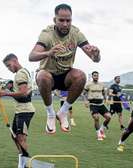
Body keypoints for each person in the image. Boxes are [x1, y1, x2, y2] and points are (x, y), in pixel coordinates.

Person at [29, 3, 101, 134]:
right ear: (54, 20)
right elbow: (32, 56)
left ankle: (63, 112)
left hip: (65, 76)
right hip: (48, 75)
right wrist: (48, 53)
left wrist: (96, 54)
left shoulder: (76, 33)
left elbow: (95, 59)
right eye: (61, 20)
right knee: (42, 76)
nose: (65, 24)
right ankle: (50, 114)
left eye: (68, 20)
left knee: (81, 76)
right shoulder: (47, 34)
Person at [0, 53, 35, 168]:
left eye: (9, 65)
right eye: (7, 67)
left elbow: (23, 93)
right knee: (14, 135)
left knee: (20, 137)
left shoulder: (20, 74)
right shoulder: (22, 73)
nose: (9, 69)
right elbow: (21, 92)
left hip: (25, 110)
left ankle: (26, 162)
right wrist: (10, 89)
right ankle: (22, 158)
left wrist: (6, 93)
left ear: (15, 60)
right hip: (20, 110)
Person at [83, 71, 111, 141]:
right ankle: (99, 134)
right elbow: (84, 93)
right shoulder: (88, 84)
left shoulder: (101, 84)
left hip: (101, 104)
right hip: (93, 104)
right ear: (92, 76)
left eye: (97, 75)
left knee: (108, 117)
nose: (96, 77)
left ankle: (102, 129)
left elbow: (104, 93)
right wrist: (85, 101)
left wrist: (106, 99)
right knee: (96, 118)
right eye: (95, 75)